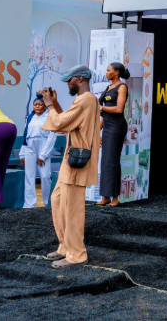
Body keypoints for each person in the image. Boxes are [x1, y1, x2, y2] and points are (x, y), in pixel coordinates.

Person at [40, 64, 101, 269]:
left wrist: (49, 105)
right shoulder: (84, 100)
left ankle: (77, 254)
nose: (68, 83)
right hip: (71, 162)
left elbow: (58, 124)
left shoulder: (86, 99)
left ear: (80, 79)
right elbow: (66, 122)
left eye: (70, 79)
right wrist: (55, 104)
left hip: (77, 163)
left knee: (72, 210)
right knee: (58, 201)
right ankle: (65, 247)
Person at [97, 62, 130, 206]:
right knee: (105, 161)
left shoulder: (122, 87)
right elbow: (104, 115)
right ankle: (105, 196)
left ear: (116, 72)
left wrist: (100, 107)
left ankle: (115, 198)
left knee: (112, 161)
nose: (106, 72)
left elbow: (118, 109)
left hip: (117, 127)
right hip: (107, 126)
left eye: (109, 70)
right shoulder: (108, 87)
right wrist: (96, 131)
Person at [20, 96, 57, 208]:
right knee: (29, 175)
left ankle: (47, 202)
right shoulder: (30, 117)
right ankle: (29, 203)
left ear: (45, 106)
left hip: (43, 145)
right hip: (30, 146)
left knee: (45, 175)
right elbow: (25, 135)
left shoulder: (49, 116)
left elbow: (52, 136)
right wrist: (22, 153)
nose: (37, 106)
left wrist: (43, 155)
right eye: (35, 104)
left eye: (39, 104)